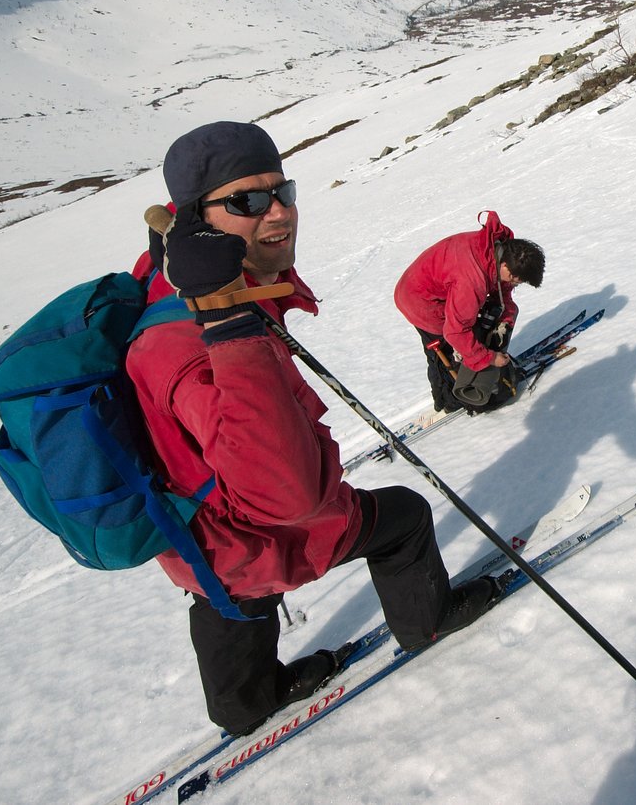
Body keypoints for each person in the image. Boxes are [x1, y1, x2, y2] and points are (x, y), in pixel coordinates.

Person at [126, 120, 500, 738]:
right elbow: (290, 498)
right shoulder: (194, 341)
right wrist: (230, 323)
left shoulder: (171, 275)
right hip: (256, 534)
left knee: (225, 589)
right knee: (402, 517)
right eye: (248, 200)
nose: (278, 211)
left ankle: (242, 705)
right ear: (197, 219)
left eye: (283, 191)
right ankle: (427, 623)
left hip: (197, 540)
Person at [393, 211, 544, 415]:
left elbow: (501, 288)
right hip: (420, 302)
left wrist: (506, 317)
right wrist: (488, 358)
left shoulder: (497, 248)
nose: (514, 284)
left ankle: (456, 384)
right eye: (515, 279)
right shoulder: (471, 281)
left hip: (436, 285)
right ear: (505, 265)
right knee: (445, 352)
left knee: (470, 335)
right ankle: (448, 400)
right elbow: (455, 332)